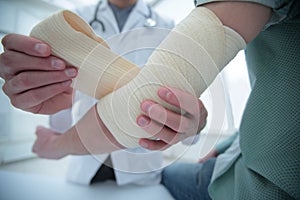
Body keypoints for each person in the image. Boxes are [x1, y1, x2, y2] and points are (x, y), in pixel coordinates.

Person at [1, 1, 299, 200]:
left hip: (140, 165)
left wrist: (57, 145)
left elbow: (153, 104)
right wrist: (62, 95)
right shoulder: (72, 21)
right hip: (85, 166)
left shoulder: (169, 22)